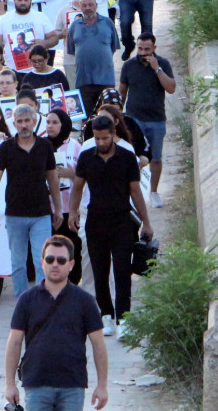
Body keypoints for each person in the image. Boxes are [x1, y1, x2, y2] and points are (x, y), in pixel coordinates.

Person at [69, 115, 154, 339]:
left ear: (113, 135)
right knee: (99, 270)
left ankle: (124, 318)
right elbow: (78, 187)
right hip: (95, 220)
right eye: (96, 138)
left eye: (104, 138)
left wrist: (146, 221)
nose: (100, 142)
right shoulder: (86, 157)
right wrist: (73, 211)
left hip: (122, 220)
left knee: (122, 271)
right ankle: (106, 315)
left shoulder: (127, 157)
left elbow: (135, 192)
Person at [3, 235, 109, 411]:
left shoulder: (85, 301)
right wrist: (9, 384)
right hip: (36, 383)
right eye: (50, 259)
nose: (55, 264)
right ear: (42, 262)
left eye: (61, 260)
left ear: (71, 264)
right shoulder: (27, 300)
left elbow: (98, 344)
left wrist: (102, 385)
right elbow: (14, 342)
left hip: (72, 385)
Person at [0, 105, 63, 299]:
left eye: (27, 121)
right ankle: (22, 299)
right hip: (15, 213)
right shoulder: (6, 147)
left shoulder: (45, 146)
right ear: (14, 124)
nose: (23, 125)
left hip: (41, 213)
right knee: (18, 263)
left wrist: (58, 209)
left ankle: (41, 299)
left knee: (42, 260)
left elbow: (53, 179)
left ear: (34, 121)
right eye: (19, 122)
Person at [119, 33, 175, 209]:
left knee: (155, 158)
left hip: (156, 119)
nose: (142, 52)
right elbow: (122, 91)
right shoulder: (128, 65)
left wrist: (157, 68)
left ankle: (153, 192)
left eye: (147, 49)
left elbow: (171, 88)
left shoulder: (163, 64)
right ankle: (133, 192)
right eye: (140, 48)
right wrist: (119, 115)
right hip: (134, 119)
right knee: (133, 157)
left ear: (154, 49)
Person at [45, 111, 83, 285]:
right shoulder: (41, 145)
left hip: (70, 207)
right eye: (48, 122)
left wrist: (72, 174)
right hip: (48, 208)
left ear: (64, 125)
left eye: (55, 122)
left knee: (72, 247)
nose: (50, 126)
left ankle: (73, 283)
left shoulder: (75, 146)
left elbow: (86, 176)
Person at [68, 0, 121, 117]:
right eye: (84, 5)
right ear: (80, 7)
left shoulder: (108, 23)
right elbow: (72, 50)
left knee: (108, 117)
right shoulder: (74, 26)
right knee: (86, 118)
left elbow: (113, 48)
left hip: (106, 79)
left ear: (96, 5)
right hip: (83, 80)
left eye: (91, 4)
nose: (88, 8)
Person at [0, 0, 62, 73]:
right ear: (14, 0)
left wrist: (44, 43)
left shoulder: (41, 17)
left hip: (37, 70)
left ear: (31, 0)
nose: (23, 2)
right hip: (12, 70)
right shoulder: (4, 19)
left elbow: (55, 39)